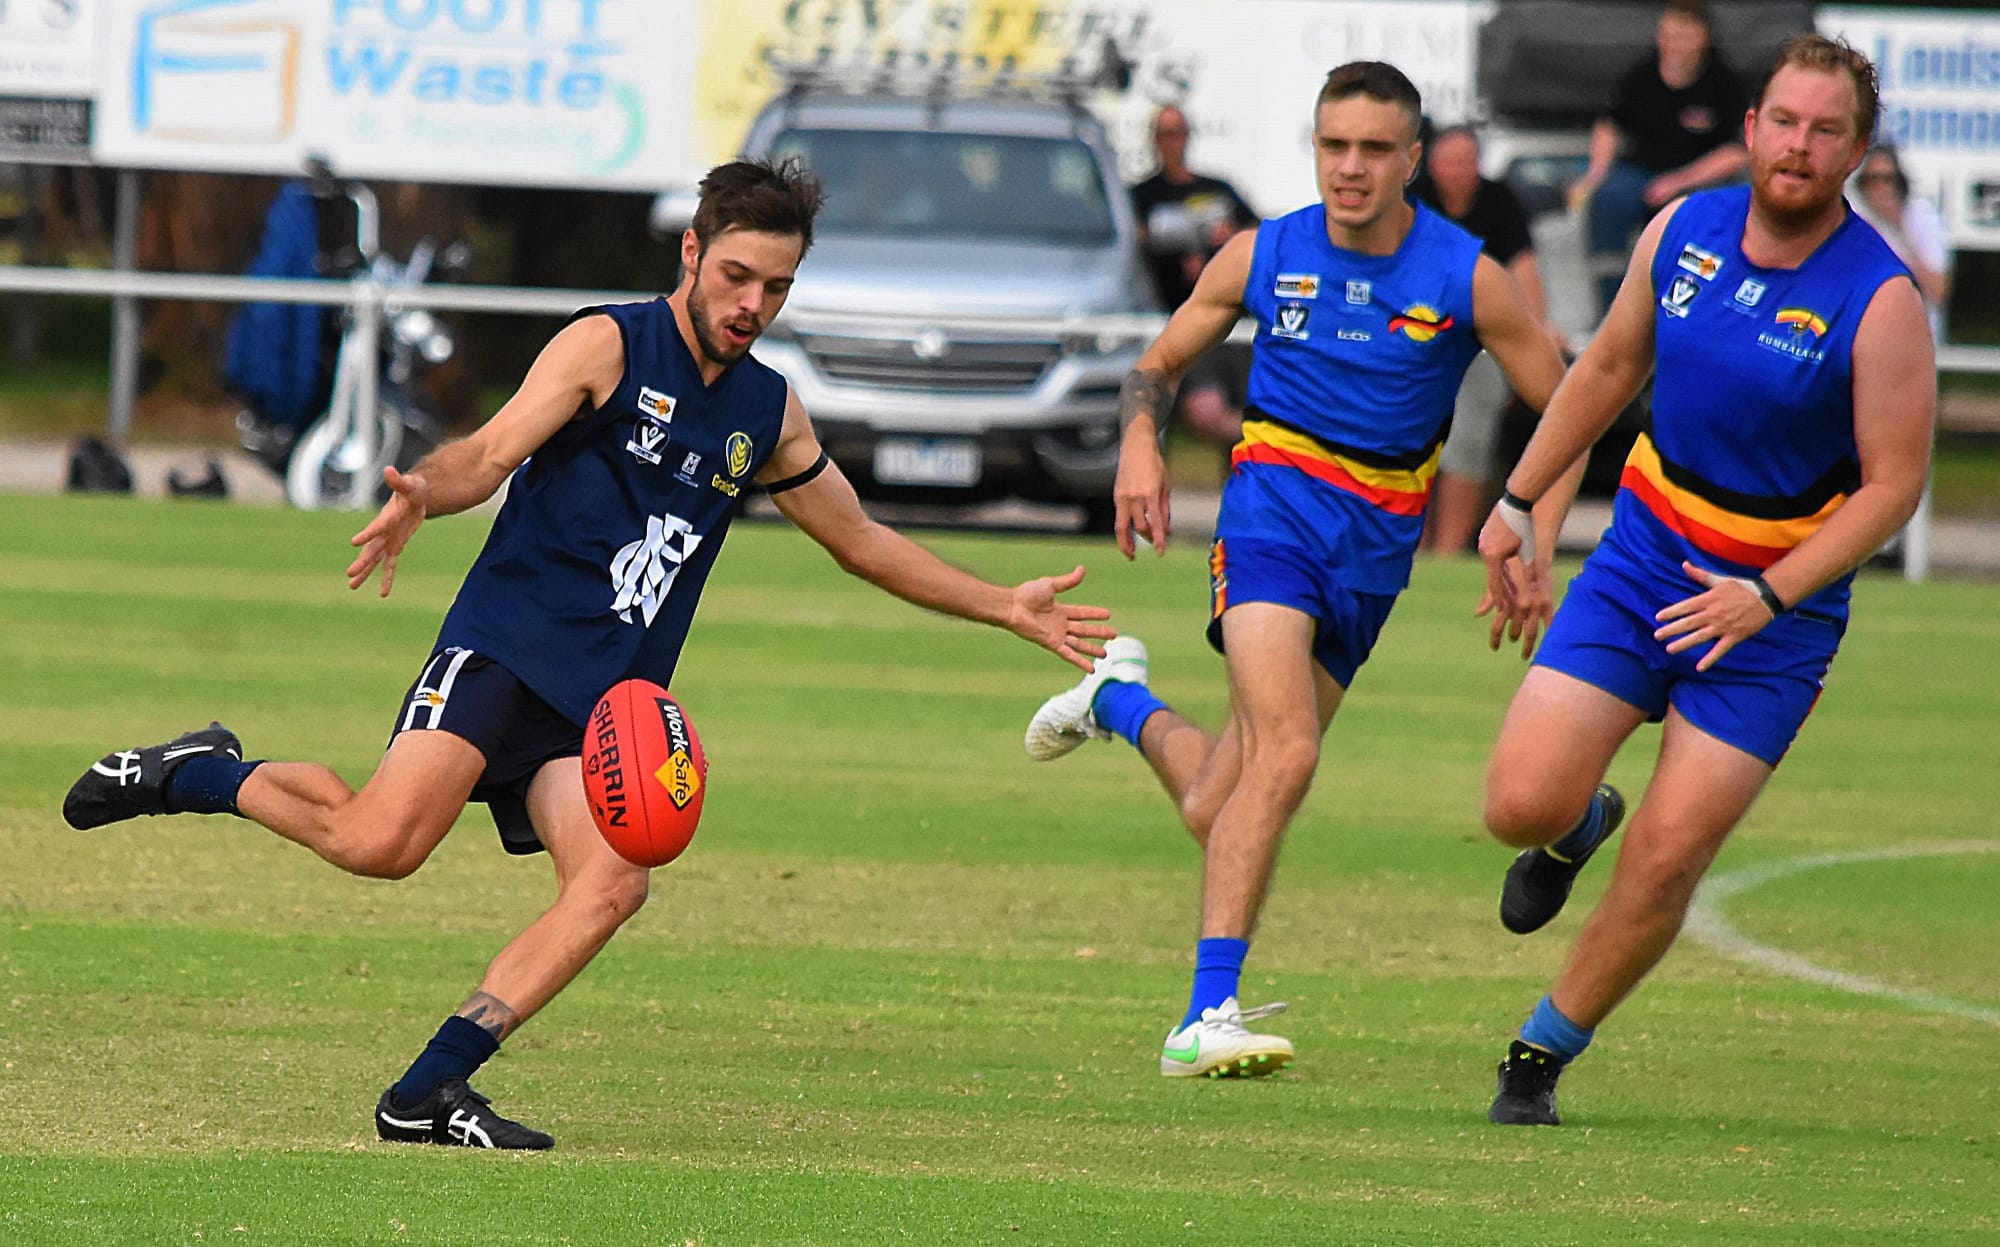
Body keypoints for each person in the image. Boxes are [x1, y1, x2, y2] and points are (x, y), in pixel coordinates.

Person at [61, 158, 1115, 1150]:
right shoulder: (604, 345)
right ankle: (195, 770)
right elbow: (488, 449)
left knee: (614, 880)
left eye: (777, 287)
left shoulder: (766, 410)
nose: (751, 303)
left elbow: (858, 539)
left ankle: (429, 1087)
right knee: (379, 842)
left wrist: (1003, 605)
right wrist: (427, 490)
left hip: (605, 705)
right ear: (692, 253)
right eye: (737, 274)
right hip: (505, 649)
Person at [1024, 62, 1575, 1079]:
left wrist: (1527, 526)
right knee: (1285, 754)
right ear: (1313, 148)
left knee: (1217, 801)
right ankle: (1203, 1013)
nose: (1349, 168)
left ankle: (1118, 699)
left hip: (1371, 554)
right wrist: (1140, 445)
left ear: (1412, 159)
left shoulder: (1465, 275)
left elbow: (1570, 405)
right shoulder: (1264, 252)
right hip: (1270, 517)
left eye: (1372, 149)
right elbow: (1159, 360)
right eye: (1333, 146)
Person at [1473, 34, 1934, 1126]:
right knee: (1514, 803)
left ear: (1855, 152)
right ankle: (1571, 824)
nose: (1798, 146)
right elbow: (1607, 369)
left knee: (1669, 855)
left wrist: (1766, 595)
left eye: (1825, 131)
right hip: (1642, 560)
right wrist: (1516, 499)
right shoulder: (1679, 230)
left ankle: (1536, 1054)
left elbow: (1892, 489)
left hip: (1770, 620)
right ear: (1749, 127)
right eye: (1783, 121)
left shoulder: (1878, 301)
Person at [1412, 124, 1552, 555]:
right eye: (1451, 162)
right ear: (1431, 165)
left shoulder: (1499, 201)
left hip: (1480, 338)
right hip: (1415, 340)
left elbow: (1523, 268)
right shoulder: (1411, 202)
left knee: (1468, 442)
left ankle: (1448, 553)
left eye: (1468, 161)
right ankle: (1405, 551)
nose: (1460, 171)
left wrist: (1537, 335)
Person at [1570, 0, 1749, 321]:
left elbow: (1737, 152)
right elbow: (1610, 124)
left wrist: (1677, 182)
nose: (1673, 44)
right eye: (1667, 34)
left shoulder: (1724, 84)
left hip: (1697, 181)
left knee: (1699, 215)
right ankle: (1611, 310)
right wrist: (1595, 175)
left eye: (1683, 35)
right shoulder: (1640, 76)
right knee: (1608, 198)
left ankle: (1687, 311)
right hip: (1640, 174)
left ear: (1703, 38)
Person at [1130, 104, 1260, 449]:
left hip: (1232, 318)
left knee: (1253, 403)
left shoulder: (1217, 188)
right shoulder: (1142, 195)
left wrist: (1229, 238)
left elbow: (1259, 233)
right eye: (1166, 133)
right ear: (1154, 140)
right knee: (1204, 410)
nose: (1175, 142)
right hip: (1175, 317)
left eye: (1180, 132)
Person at [1851, 144, 1952, 342]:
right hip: (1865, 336)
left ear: (1900, 181)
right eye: (1872, 180)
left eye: (1888, 179)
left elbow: (1938, 290)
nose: (1881, 188)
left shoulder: (1923, 217)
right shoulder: (1853, 218)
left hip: (1915, 338)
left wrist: (1900, 229)